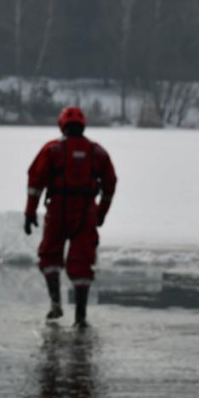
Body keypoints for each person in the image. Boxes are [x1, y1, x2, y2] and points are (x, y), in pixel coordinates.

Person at [24, 106, 117, 327]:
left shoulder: (52, 150)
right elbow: (110, 184)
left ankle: (55, 303)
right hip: (85, 214)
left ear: (61, 125)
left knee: (49, 257)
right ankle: (81, 317)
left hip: (58, 211)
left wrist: (30, 212)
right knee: (82, 264)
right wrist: (100, 214)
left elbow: (35, 182)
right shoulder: (98, 153)